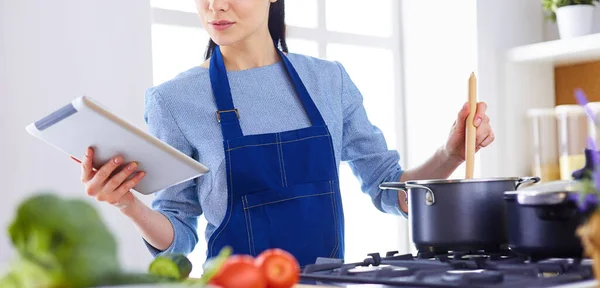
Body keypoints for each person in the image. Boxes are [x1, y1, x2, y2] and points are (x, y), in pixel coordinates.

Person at [78, 0, 494, 266]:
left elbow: (389, 189)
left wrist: (451, 153)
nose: (215, 6)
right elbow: (180, 234)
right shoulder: (174, 100)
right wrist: (129, 205)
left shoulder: (329, 81)